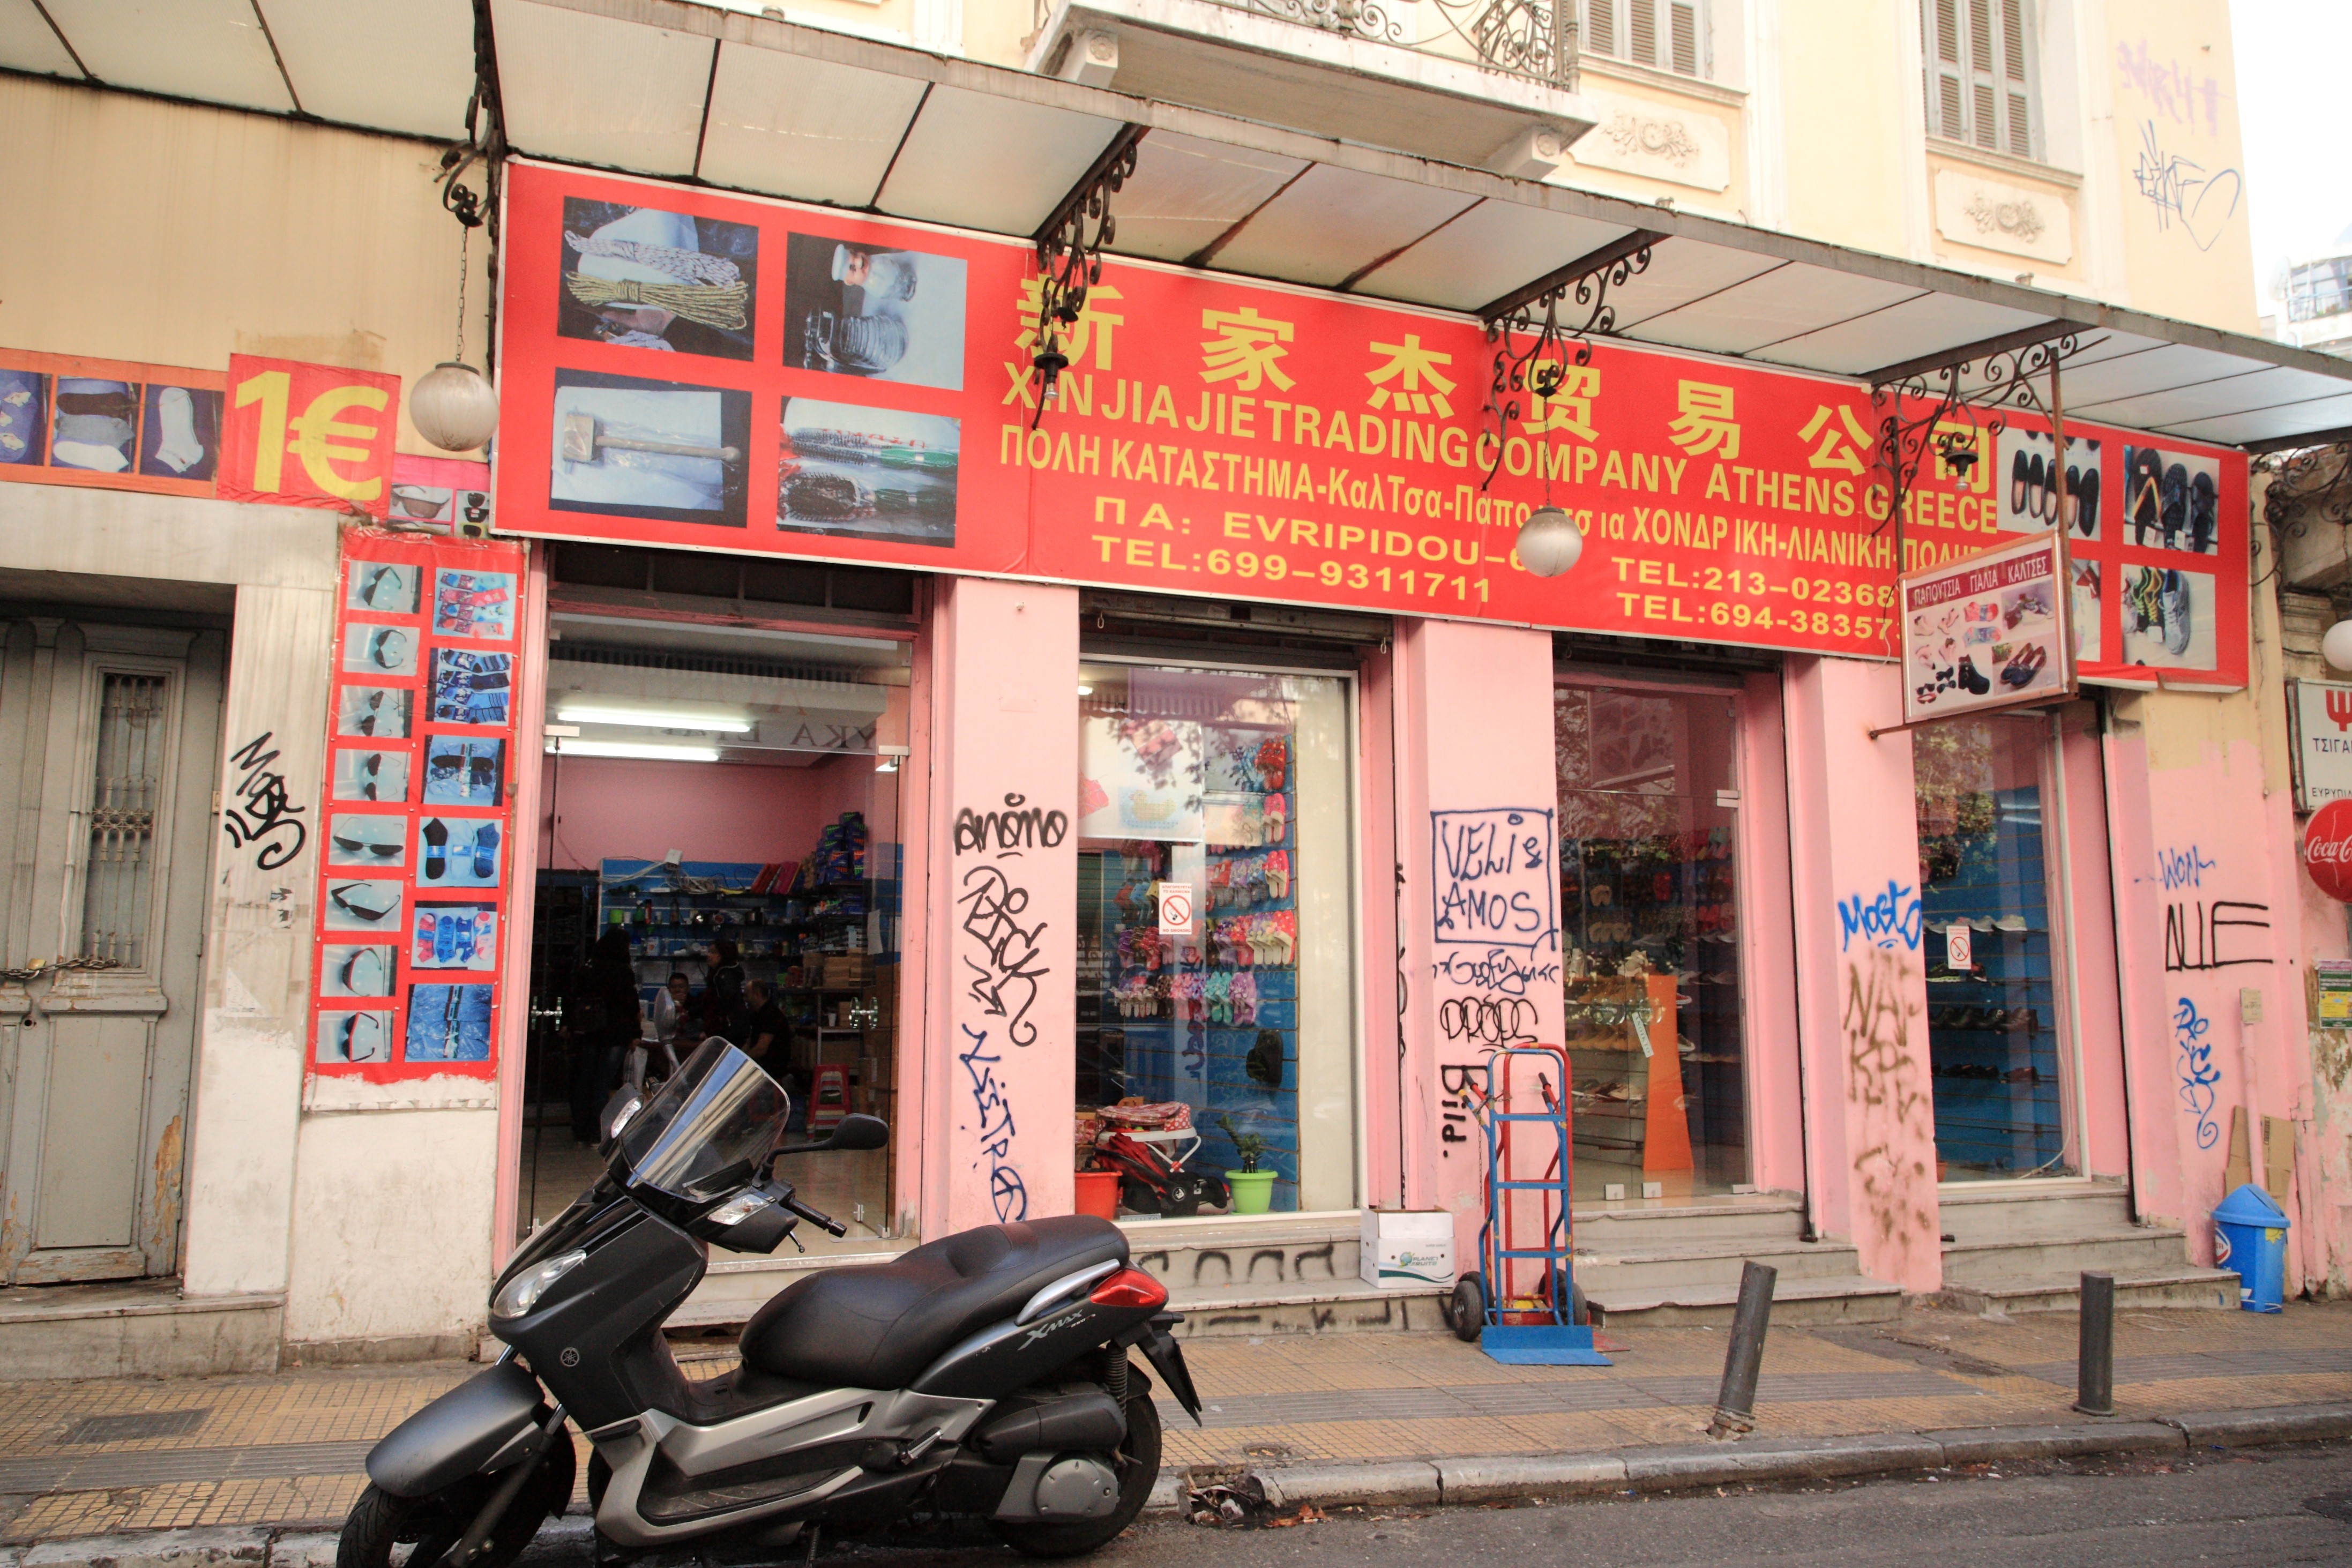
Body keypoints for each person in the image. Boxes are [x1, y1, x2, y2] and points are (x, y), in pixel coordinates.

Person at [703, 938, 748, 1041]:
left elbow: (728, 1000)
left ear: (724, 954)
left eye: (713, 952)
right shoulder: (720, 974)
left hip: (728, 1030)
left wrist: (719, 1018)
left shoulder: (725, 975)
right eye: (709, 952)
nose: (709, 955)